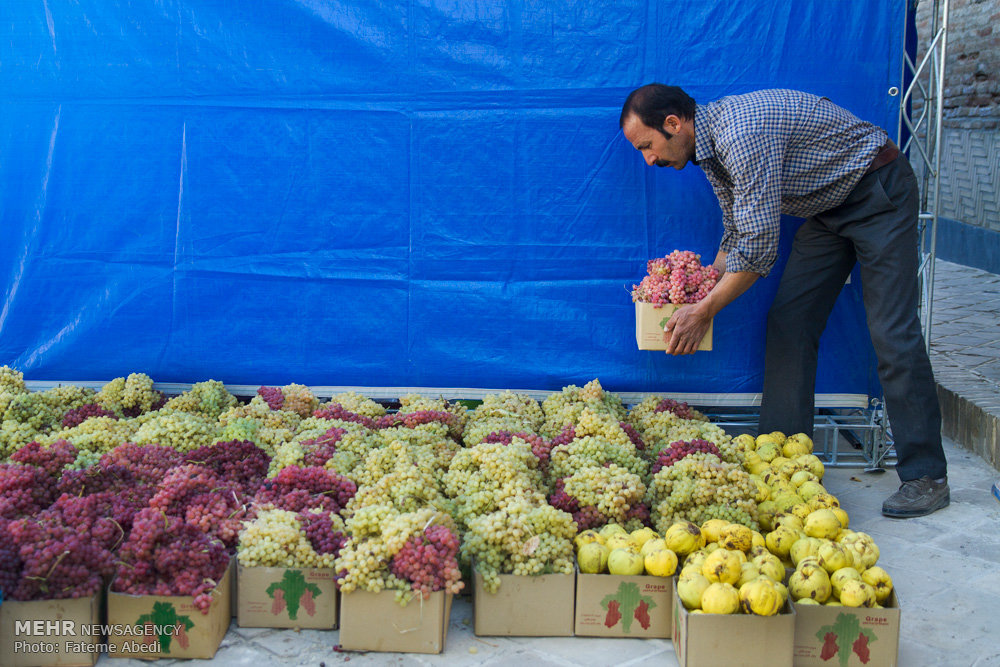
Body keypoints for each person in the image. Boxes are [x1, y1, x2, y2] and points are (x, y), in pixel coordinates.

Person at [619, 84, 949, 518]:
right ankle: (784, 460)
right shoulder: (710, 150)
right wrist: (703, 281)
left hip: (878, 191)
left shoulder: (740, 134)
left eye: (647, 146)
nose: (649, 159)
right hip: (830, 208)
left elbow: (758, 251)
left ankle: (926, 475)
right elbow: (738, 229)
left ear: (673, 124)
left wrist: (705, 310)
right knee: (789, 321)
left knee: (891, 330)